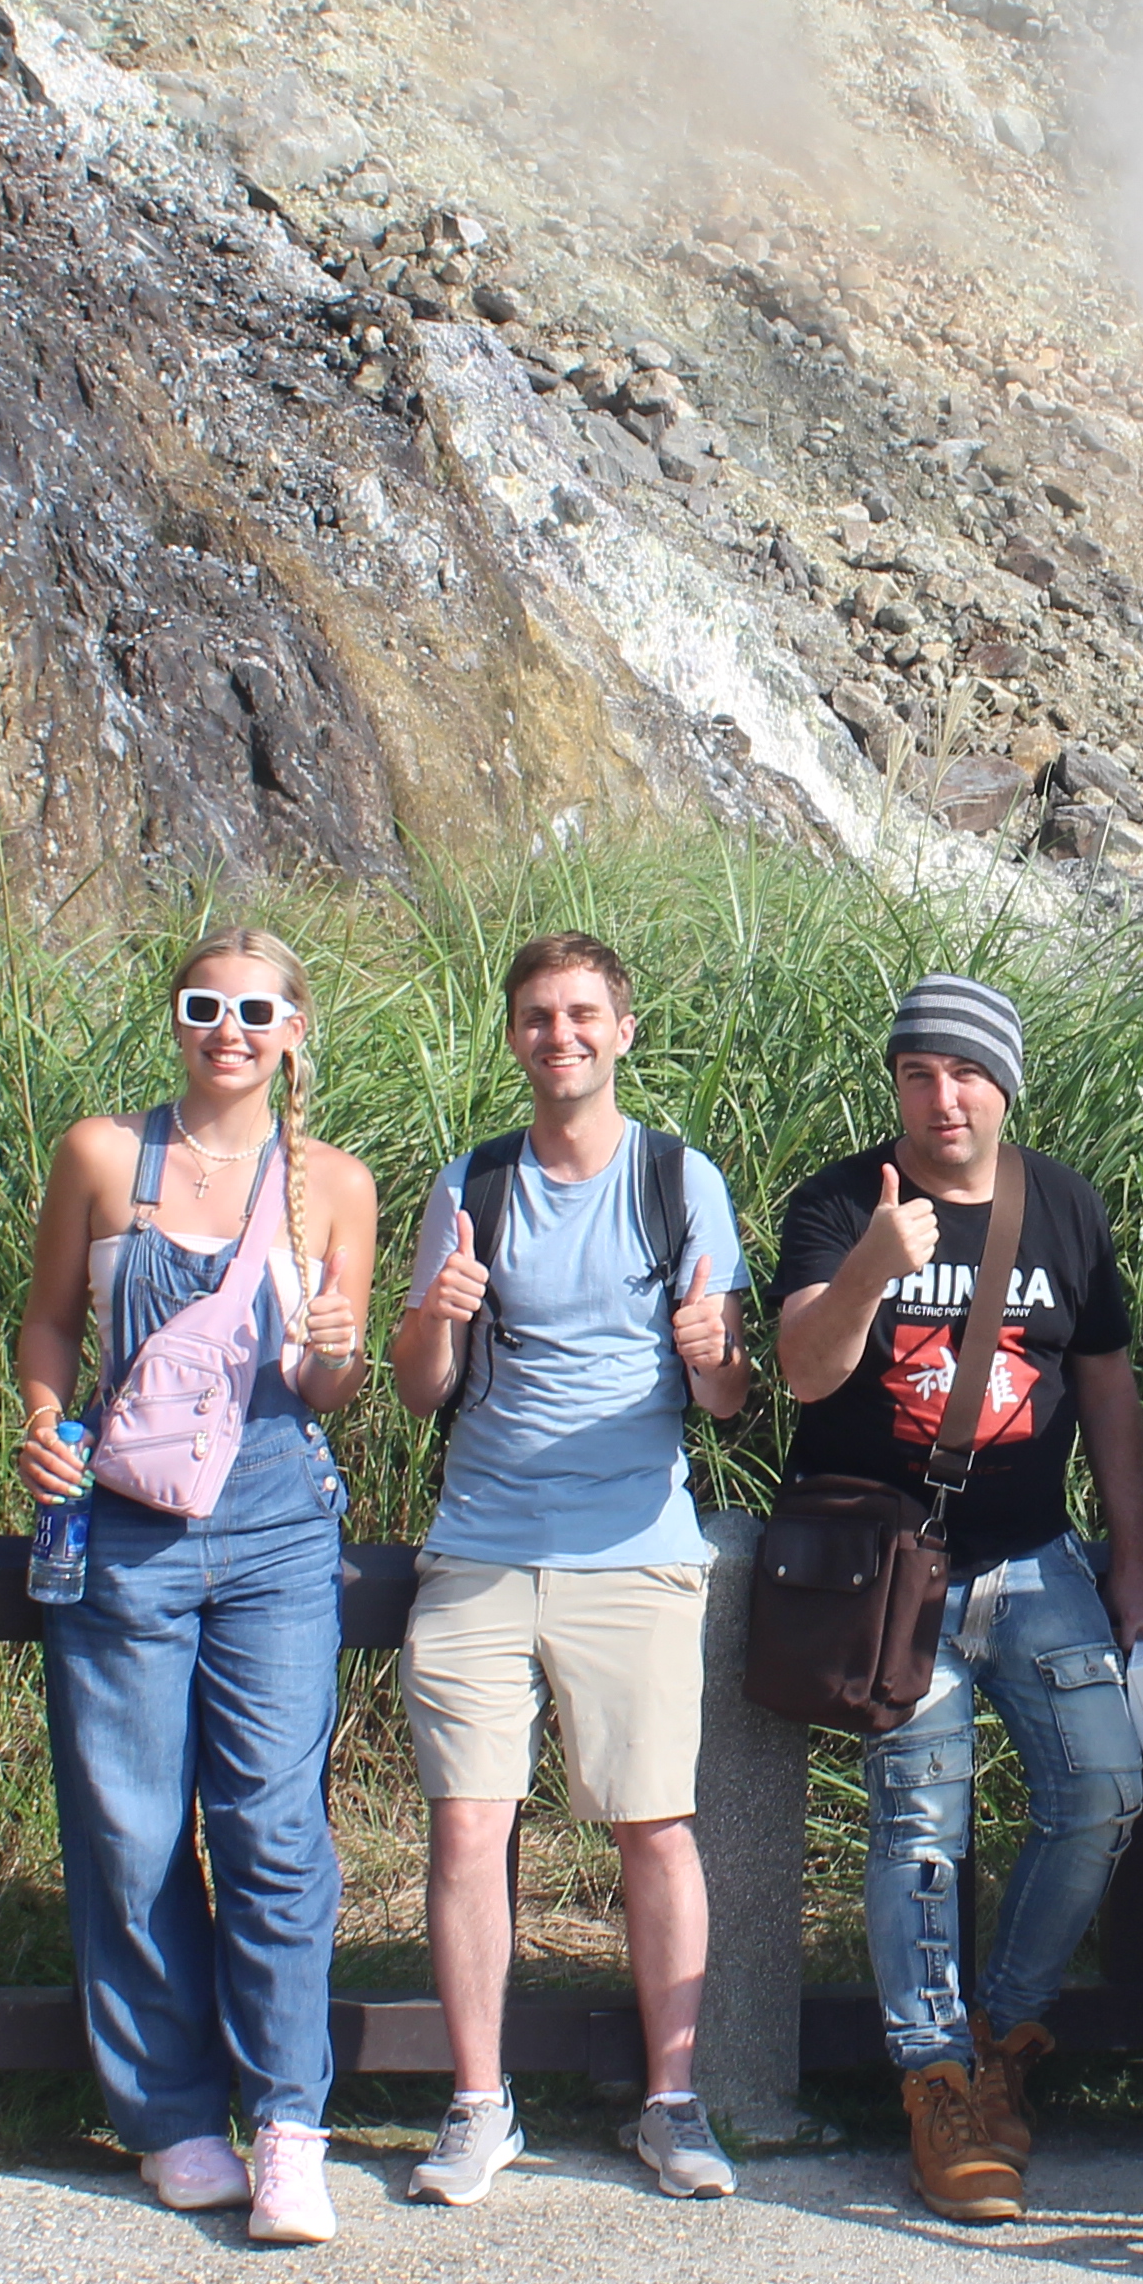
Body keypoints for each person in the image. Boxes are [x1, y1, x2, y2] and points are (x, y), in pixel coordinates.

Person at [771, 975, 1143, 2227]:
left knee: (1104, 1788)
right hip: (894, 1573)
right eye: (916, 1075)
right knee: (920, 1824)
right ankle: (936, 2079)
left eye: (965, 1075)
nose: (941, 1099)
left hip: (1037, 1558)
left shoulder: (1060, 1204)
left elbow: (1104, 1387)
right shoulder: (843, 1203)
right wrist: (871, 1273)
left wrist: (1134, 1560)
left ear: (1006, 1082)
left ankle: (1006, 2025)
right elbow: (801, 1368)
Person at [14, 932, 382, 2245]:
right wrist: (47, 1416)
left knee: (274, 1828)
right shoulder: (103, 1156)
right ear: (177, 1019)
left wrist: (338, 1351)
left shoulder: (333, 1185)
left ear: (295, 1027)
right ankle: (171, 2113)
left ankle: (288, 2122)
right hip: (122, 1523)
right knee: (129, 1830)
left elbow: (330, 1389)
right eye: (204, 1005)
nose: (228, 1028)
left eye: (255, 1008)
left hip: (279, 1526)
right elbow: (50, 1315)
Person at [386, 931, 756, 2206]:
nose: (563, 1036)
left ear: (624, 1030)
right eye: (540, 1017)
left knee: (656, 1828)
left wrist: (712, 1349)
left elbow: (727, 1399)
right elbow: (418, 1387)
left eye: (584, 1014)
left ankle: (672, 2103)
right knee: (468, 1828)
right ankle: (478, 2108)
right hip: (483, 1541)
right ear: (514, 1038)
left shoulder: (678, 1178)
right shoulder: (472, 1182)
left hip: (637, 1550)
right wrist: (436, 1310)